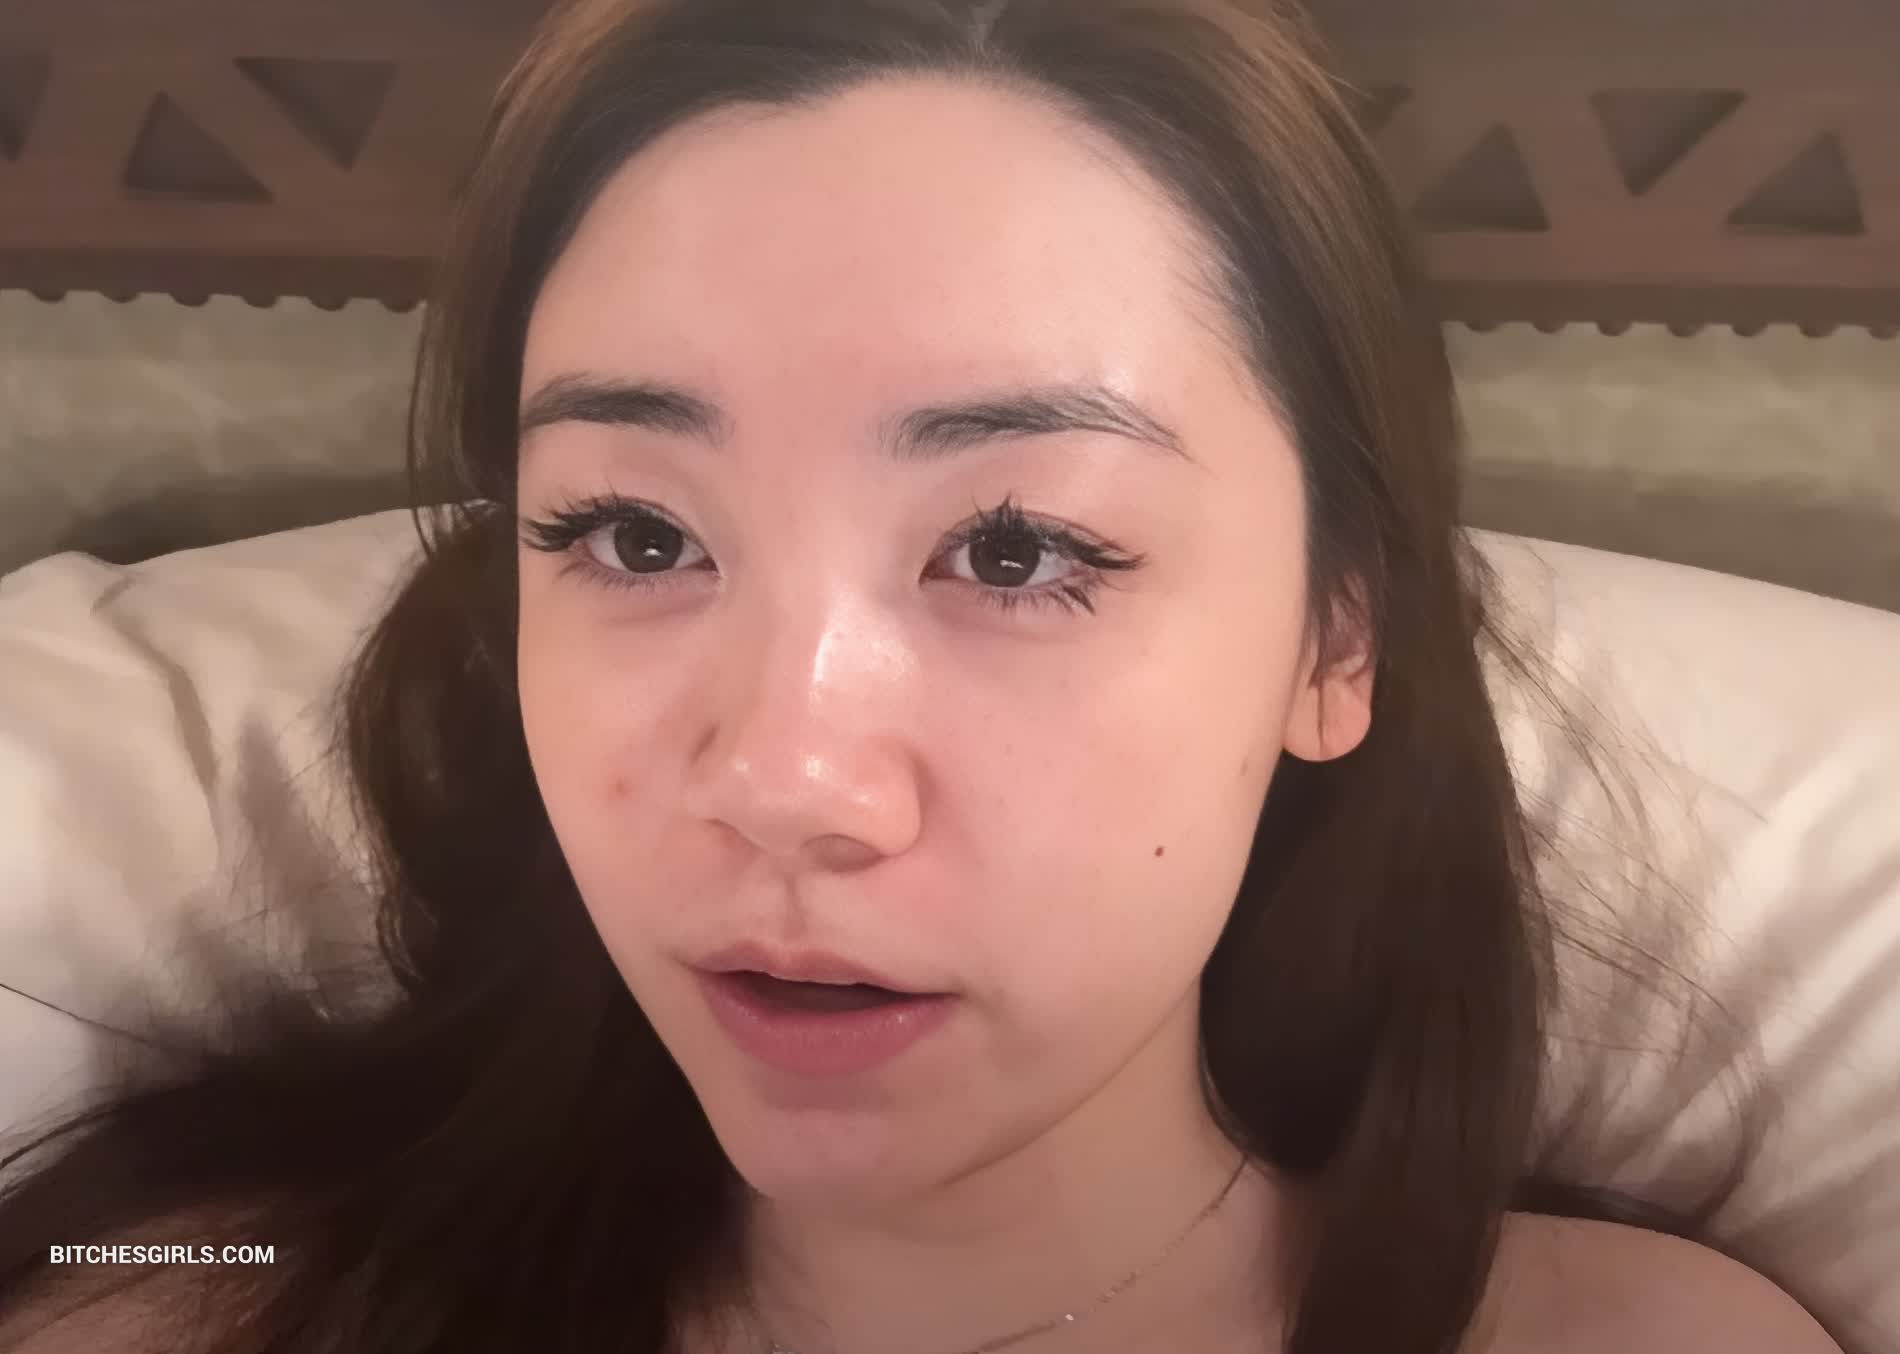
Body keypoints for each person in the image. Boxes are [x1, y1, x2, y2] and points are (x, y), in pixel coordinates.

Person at [0, 0, 1848, 1351]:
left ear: (1333, 636)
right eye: (636, 533)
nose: (783, 779)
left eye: (1019, 549)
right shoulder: (198, 1309)